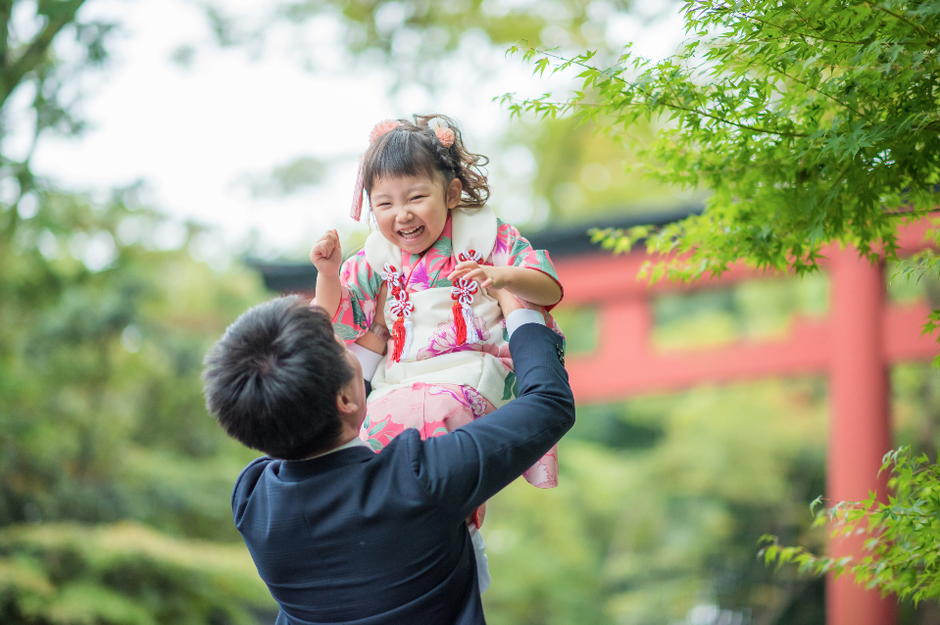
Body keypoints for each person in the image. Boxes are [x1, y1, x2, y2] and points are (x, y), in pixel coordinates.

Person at [202, 294, 574, 625]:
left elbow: (315, 417)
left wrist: (378, 330)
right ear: (344, 400)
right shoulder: (419, 479)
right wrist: (520, 311)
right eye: (343, 347)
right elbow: (548, 405)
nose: (354, 352)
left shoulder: (253, 498)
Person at [311, 114, 565, 495]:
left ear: (450, 193)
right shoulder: (375, 260)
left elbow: (548, 290)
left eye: (416, 197)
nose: (402, 214)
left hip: (469, 373)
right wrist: (329, 274)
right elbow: (338, 316)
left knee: (437, 430)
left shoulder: (488, 238)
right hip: (397, 382)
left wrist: (503, 277)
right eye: (384, 203)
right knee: (369, 445)